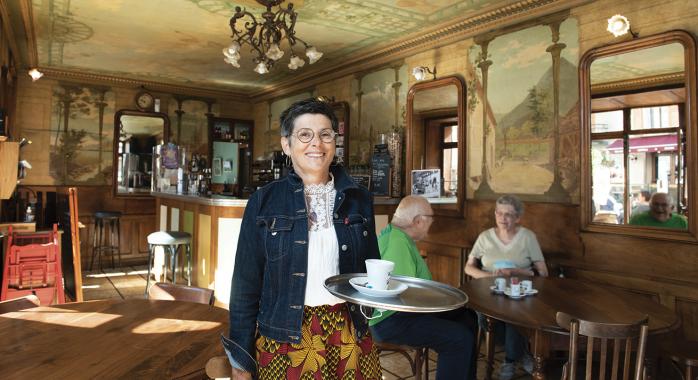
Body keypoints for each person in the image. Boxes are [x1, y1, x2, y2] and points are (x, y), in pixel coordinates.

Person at [221, 98, 382, 380]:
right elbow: (245, 285)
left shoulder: (359, 199)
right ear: (287, 144)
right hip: (286, 333)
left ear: (335, 141)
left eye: (325, 134)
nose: (316, 144)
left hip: (347, 333)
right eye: (304, 135)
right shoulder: (263, 201)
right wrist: (240, 360)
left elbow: (372, 271)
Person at [369, 195, 477, 380]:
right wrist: (440, 300)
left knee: (467, 317)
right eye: (431, 218)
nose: (432, 223)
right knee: (458, 339)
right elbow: (404, 296)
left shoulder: (395, 234)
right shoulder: (398, 242)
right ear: (418, 221)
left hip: (399, 314)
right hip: (391, 320)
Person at [464, 195, 548, 380]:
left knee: (514, 315)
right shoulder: (485, 237)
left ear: (518, 217)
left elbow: (542, 273)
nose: (503, 218)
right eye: (499, 213)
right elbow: (468, 267)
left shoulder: (528, 237)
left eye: (509, 214)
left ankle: (509, 361)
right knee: (490, 319)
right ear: (495, 214)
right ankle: (521, 353)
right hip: (487, 292)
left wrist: (517, 271)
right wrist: (490, 276)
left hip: (520, 293)